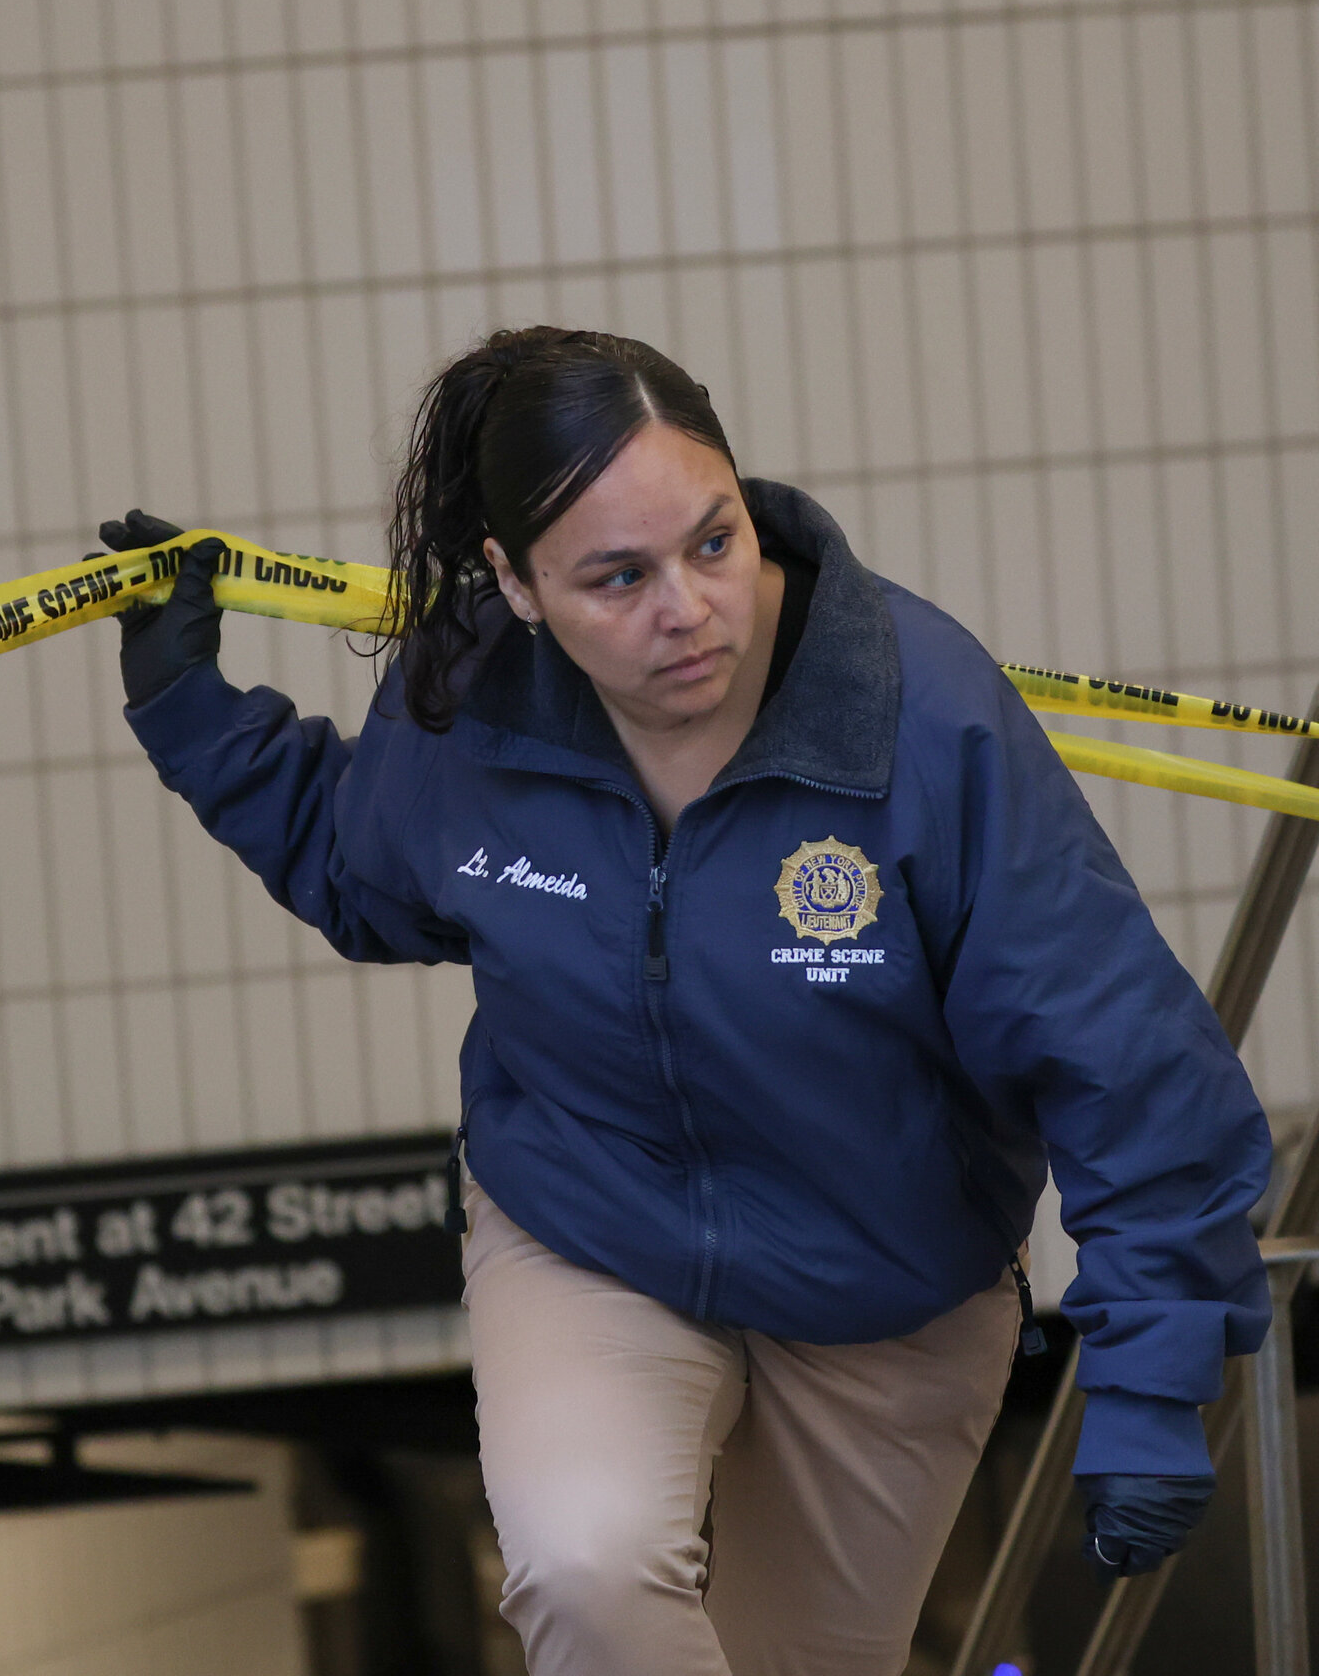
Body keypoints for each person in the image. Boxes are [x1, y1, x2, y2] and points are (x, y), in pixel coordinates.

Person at [106, 326, 1270, 1675]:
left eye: (714, 543)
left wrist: (1151, 1379)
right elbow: (361, 869)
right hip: (591, 1226)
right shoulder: (475, 699)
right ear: (515, 583)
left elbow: (1120, 1052)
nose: (688, 606)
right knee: (589, 1567)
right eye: (618, 577)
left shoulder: (922, 718)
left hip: (887, 1289)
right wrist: (189, 709)